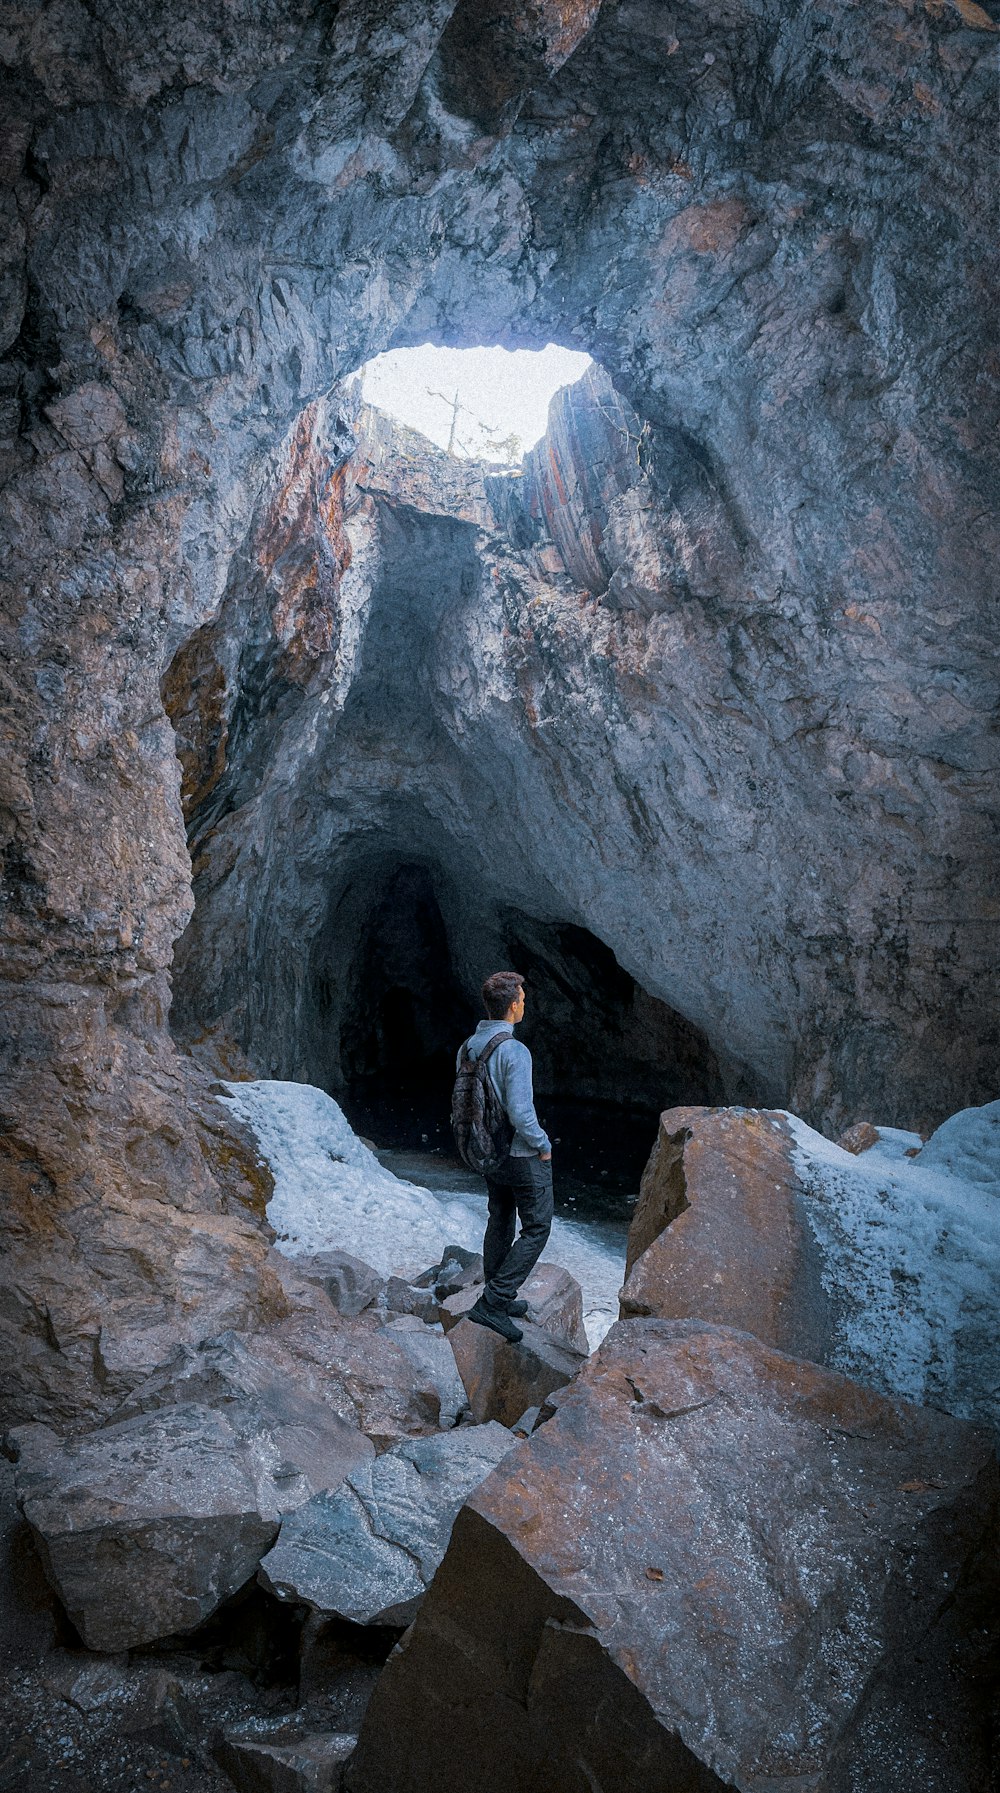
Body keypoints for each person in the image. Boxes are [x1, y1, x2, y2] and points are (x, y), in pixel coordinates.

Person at [459, 970, 552, 1344]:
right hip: (518, 1152)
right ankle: (494, 1302)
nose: (525, 1004)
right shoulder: (514, 1050)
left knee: (500, 1216)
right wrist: (543, 1144)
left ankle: (496, 1293)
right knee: (538, 1226)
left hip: (487, 1150)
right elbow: (520, 1112)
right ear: (513, 1006)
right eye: (523, 999)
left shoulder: (468, 1046)